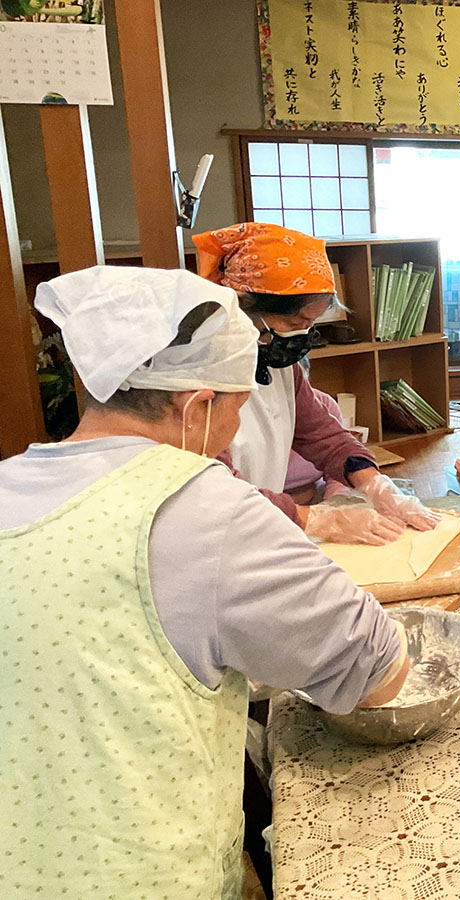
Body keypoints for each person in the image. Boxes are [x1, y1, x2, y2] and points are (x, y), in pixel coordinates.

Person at [0, 267, 411, 899]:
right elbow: (377, 670)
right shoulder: (208, 507)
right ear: (197, 408)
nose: (234, 435)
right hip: (143, 876)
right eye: (238, 410)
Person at [193, 222, 437, 544]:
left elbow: (325, 436)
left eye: (310, 325)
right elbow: (217, 489)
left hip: (263, 526)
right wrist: (320, 519)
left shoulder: (281, 366)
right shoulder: (197, 376)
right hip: (219, 533)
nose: (302, 336)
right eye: (296, 323)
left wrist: (378, 486)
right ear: (244, 306)